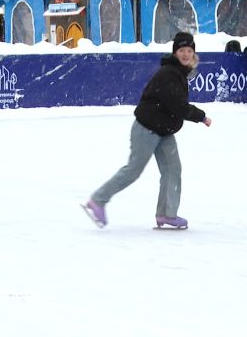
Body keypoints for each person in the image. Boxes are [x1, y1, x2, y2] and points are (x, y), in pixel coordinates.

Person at [83, 32, 212, 229]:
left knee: (172, 169)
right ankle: (98, 200)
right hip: (147, 129)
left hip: (164, 130)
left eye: (189, 51)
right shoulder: (169, 73)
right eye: (182, 50)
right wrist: (200, 116)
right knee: (133, 170)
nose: (186, 54)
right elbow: (177, 105)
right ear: (175, 52)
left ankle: (166, 214)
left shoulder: (179, 73)